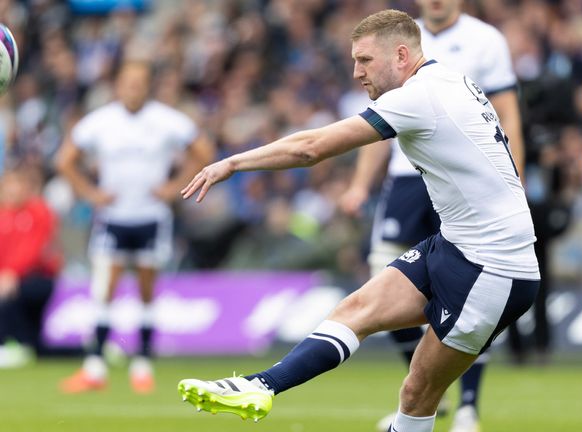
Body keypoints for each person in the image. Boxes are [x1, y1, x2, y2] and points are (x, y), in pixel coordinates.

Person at [177, 9, 539, 432]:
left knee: (417, 392)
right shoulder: (448, 80)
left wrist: (234, 162)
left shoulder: (418, 97)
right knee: (356, 308)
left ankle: (467, 410)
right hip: (457, 244)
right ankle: (259, 386)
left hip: (494, 267)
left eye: (365, 60)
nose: (355, 72)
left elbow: (311, 147)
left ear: (401, 55)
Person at [336, 1, 525, 430]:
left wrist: (514, 174)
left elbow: (506, 112)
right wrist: (359, 185)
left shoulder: (486, 40)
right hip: (407, 178)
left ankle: (469, 406)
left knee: (471, 282)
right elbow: (375, 124)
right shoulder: (395, 37)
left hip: (465, 177)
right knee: (380, 275)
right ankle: (424, 392)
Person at [56, 61, 214, 394]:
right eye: (127, 83)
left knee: (146, 291)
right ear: (118, 86)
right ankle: (95, 366)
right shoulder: (101, 121)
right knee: (105, 290)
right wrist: (90, 193)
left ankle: (142, 364)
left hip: (151, 216)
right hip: (114, 218)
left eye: (139, 83)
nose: (133, 89)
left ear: (148, 86)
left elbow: (203, 151)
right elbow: (64, 160)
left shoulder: (165, 120)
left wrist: (174, 188)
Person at [0, 164, 61, 368]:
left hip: (36, 278)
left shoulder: (39, 211)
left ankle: (14, 344)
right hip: (7, 279)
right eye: (9, 184)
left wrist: (12, 274)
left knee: (12, 298)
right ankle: (25, 345)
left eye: (17, 184)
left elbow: (33, 250)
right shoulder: (3, 215)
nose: (13, 189)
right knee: (36, 343)